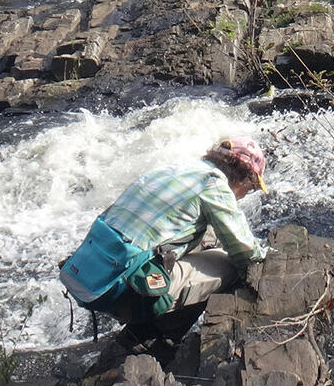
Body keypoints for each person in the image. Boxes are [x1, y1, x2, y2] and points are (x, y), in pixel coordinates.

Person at [94, 135, 268, 331]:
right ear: (245, 177)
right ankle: (157, 336)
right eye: (251, 188)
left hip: (95, 278)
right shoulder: (213, 183)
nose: (246, 194)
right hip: (127, 291)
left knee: (210, 236)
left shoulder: (172, 169)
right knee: (231, 264)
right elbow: (245, 253)